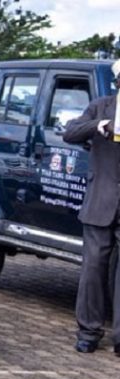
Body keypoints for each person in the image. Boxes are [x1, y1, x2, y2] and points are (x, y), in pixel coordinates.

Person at [63, 59, 120, 354]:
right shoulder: (101, 106)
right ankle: (88, 331)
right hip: (102, 201)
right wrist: (98, 126)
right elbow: (70, 132)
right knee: (94, 268)